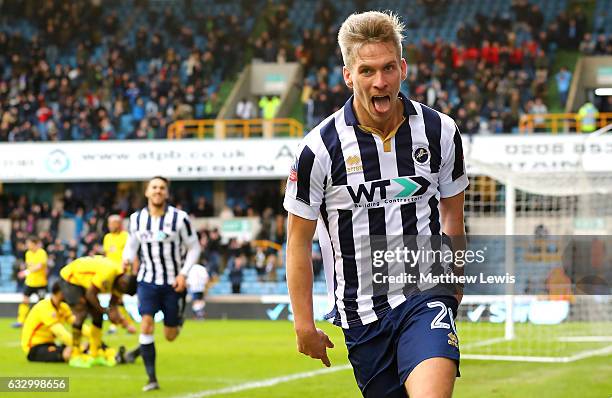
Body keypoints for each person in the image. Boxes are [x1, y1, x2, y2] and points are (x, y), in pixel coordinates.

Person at [284, 11, 468, 398]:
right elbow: (298, 242)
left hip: (425, 294)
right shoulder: (318, 149)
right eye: (367, 71)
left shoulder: (440, 131)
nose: (380, 82)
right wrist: (304, 324)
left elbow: (452, 215)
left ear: (403, 67)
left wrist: (454, 280)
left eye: (388, 68)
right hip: (361, 315)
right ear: (349, 76)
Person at [122, 176, 201, 392]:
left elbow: (194, 248)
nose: (158, 191)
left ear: (166, 193)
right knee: (146, 324)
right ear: (147, 192)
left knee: (170, 335)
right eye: (154, 187)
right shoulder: (136, 219)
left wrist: (184, 274)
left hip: (173, 283)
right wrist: (127, 258)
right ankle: (152, 379)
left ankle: (178, 318)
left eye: (162, 188)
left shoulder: (180, 218)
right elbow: (131, 244)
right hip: (147, 281)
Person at [59, 255, 137, 368]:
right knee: (81, 312)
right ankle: (75, 354)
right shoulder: (109, 273)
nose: (120, 292)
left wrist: (120, 320)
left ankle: (94, 353)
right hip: (70, 277)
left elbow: (113, 305)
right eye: (122, 290)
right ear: (123, 283)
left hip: (85, 283)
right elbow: (90, 294)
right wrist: (105, 312)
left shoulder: (122, 283)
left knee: (97, 315)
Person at [21, 282, 73, 363]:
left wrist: (92, 338)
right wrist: (76, 344)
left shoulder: (63, 307)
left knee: (83, 347)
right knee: (68, 353)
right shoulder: (44, 307)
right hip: (34, 348)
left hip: (51, 344)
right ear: (60, 293)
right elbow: (60, 332)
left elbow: (77, 324)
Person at [103, 214, 137, 334]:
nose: (109, 226)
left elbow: (132, 254)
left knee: (116, 300)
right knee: (117, 301)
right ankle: (124, 324)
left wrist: (133, 271)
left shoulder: (125, 236)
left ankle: (118, 325)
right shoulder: (107, 237)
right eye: (109, 223)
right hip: (111, 273)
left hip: (122, 274)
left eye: (112, 223)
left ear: (118, 224)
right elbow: (107, 255)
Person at [14, 236, 48, 328]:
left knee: (42, 303)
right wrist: (24, 268)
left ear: (35, 243)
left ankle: (43, 321)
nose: (27, 245)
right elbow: (29, 265)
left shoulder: (42, 253)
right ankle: (20, 321)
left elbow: (39, 266)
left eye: (29, 243)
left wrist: (26, 272)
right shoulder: (28, 253)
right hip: (30, 282)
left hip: (41, 283)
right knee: (25, 300)